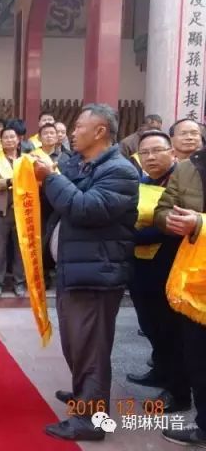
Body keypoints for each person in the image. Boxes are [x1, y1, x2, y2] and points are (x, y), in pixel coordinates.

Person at [35, 103, 139, 442]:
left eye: (80, 126)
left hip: (97, 273)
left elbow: (85, 208)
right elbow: (60, 197)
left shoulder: (120, 171)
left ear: (100, 132)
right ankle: (83, 395)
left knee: (90, 348)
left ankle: (91, 419)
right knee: (76, 343)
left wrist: (51, 177)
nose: (73, 131)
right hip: (75, 269)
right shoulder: (80, 163)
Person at [124, 131, 190, 414]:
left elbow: (171, 228)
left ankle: (179, 393)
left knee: (171, 330)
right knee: (150, 324)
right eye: (145, 152)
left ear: (172, 153)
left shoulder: (184, 184)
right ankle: (160, 372)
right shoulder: (142, 182)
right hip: (141, 266)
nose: (150, 158)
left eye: (157, 151)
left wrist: (127, 236)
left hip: (171, 265)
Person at [153, 144, 206, 447]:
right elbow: (163, 208)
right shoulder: (187, 168)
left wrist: (199, 223)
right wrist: (169, 221)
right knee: (198, 357)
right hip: (196, 280)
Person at [0, 127, 26, 297]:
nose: (9, 140)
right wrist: (8, 181)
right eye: (5, 138)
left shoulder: (26, 160)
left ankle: (20, 282)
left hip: (22, 210)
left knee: (20, 249)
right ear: (0, 142)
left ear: (18, 140)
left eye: (12, 137)